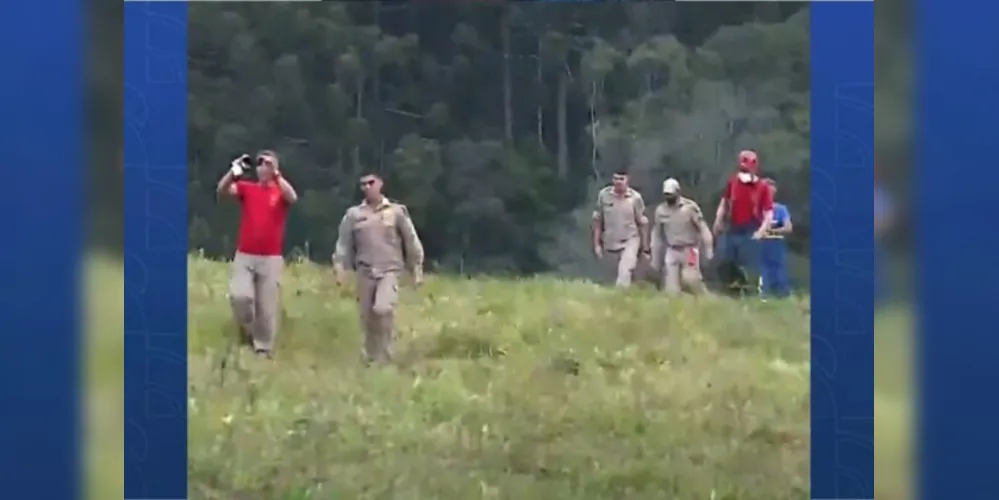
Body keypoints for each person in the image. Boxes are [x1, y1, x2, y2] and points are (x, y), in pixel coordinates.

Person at [332, 172, 425, 365]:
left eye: (370, 183)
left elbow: (410, 239)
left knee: (382, 308)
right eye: (363, 184)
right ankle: (372, 357)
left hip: (389, 270)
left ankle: (387, 351)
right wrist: (340, 266)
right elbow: (344, 242)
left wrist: (416, 268)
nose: (367, 187)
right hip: (365, 270)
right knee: (368, 317)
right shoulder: (354, 215)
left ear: (380, 184)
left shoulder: (396, 211)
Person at [216, 150, 298, 358]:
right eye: (260, 164)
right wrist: (234, 171)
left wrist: (277, 174)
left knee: (267, 305)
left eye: (267, 164)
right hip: (245, 254)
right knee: (240, 296)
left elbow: (292, 197)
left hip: (270, 257)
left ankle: (263, 348)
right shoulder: (248, 189)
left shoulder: (279, 191)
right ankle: (247, 330)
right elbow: (223, 190)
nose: (262, 167)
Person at [712, 150, 775, 294]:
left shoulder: (762, 187)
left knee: (749, 266)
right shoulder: (733, 182)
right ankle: (732, 291)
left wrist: (761, 231)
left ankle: (750, 294)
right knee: (724, 261)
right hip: (733, 228)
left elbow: (768, 212)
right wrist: (718, 220)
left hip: (751, 230)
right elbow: (724, 202)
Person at [650, 178, 714, 295]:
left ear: (677, 192)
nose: (668, 197)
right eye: (666, 194)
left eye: (671, 194)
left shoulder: (689, 208)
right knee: (671, 288)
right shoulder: (660, 210)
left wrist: (708, 247)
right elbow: (657, 234)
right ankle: (676, 306)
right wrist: (655, 257)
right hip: (672, 249)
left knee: (691, 279)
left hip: (690, 249)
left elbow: (702, 228)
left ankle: (706, 299)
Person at [592, 168, 649, 287]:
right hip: (610, 241)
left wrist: (645, 247)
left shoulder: (635, 198)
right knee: (612, 275)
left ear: (627, 180)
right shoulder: (604, 195)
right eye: (615, 178)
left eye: (621, 179)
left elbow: (642, 223)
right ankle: (626, 296)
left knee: (625, 269)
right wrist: (597, 244)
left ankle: (622, 291)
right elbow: (598, 220)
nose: (618, 182)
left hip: (630, 239)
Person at [758, 178, 792, 298]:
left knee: (779, 271)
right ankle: (763, 296)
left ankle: (783, 296)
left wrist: (771, 230)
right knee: (762, 271)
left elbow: (788, 228)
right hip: (760, 244)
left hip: (776, 243)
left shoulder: (781, 209)